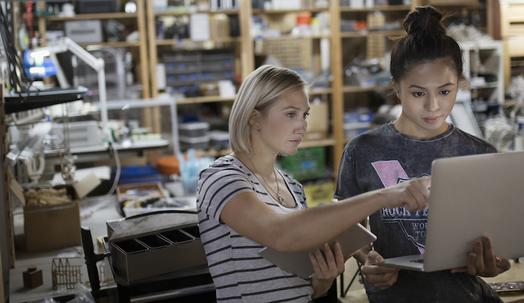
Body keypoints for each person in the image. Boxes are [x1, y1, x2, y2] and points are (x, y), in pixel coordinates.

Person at [196, 64, 430, 302]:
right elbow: (281, 233)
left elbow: (307, 289)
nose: (303, 126)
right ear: (255, 117)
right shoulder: (222, 179)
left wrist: (324, 277)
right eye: (290, 114)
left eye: (304, 114)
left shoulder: (293, 187)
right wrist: (385, 196)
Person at [334, 6, 512, 303]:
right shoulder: (362, 150)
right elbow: (342, 225)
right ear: (397, 88)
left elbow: (498, 247)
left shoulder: (479, 154)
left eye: (445, 91)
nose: (433, 106)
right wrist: (368, 258)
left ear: (460, 85)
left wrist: (495, 263)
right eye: (418, 93)